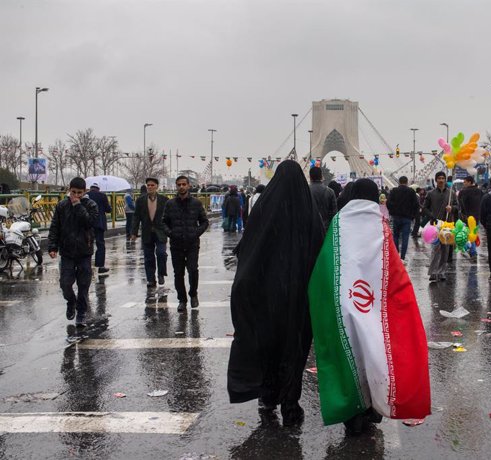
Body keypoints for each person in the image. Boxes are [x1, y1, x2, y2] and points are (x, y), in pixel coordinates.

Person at [308, 177, 430, 435]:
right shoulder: (380, 225)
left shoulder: (340, 222)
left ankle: (352, 412)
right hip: (374, 305)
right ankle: (373, 406)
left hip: (345, 303)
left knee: (349, 355)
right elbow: (394, 270)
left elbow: (326, 264)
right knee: (375, 354)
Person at [227, 160, 325, 427]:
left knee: (269, 346)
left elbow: (251, 247)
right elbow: (320, 251)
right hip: (299, 297)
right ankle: (290, 403)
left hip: (269, 296)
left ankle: (268, 395)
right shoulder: (309, 213)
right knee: (294, 349)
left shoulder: (265, 209)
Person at [48, 177, 99, 326]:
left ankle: (81, 313)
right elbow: (55, 227)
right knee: (65, 283)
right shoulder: (62, 206)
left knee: (84, 285)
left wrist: (78, 206)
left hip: (84, 251)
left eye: (79, 193)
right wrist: (52, 246)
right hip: (67, 252)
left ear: (85, 192)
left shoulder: (90, 205)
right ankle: (71, 302)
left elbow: (89, 222)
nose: (75, 195)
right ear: (69, 190)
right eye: (73, 192)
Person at [162, 175, 209, 311]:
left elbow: (205, 222)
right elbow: (164, 222)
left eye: (184, 184)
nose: (181, 187)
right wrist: (171, 233)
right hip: (176, 244)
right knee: (178, 273)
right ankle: (182, 299)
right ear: (176, 186)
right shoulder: (170, 204)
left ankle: (193, 294)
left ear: (188, 186)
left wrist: (196, 232)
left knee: (193, 270)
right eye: (179, 184)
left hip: (192, 243)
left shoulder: (196, 203)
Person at [130, 178, 169, 287]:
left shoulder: (164, 200)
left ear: (157, 186)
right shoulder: (140, 200)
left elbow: (169, 217)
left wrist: (170, 230)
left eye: (152, 185)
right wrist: (134, 232)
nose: (150, 187)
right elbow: (136, 217)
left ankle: (161, 273)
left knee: (161, 253)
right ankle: (151, 279)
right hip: (147, 232)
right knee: (148, 256)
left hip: (161, 232)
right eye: (148, 185)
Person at [423, 171, 458, 282]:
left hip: (447, 224)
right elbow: (425, 208)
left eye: (443, 178)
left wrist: (451, 208)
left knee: (445, 250)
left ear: (445, 180)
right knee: (435, 249)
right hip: (435, 224)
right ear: (436, 180)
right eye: (439, 178)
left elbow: (458, 206)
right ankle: (433, 272)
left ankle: (441, 272)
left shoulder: (451, 193)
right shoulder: (431, 193)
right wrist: (431, 216)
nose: (441, 180)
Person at [386, 176, 418, 262]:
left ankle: (396, 254)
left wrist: (392, 212)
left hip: (396, 217)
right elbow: (415, 204)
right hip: (407, 218)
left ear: (399, 182)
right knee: (405, 237)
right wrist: (412, 215)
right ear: (407, 182)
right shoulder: (411, 191)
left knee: (395, 236)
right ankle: (403, 257)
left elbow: (388, 203)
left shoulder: (394, 191)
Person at [86, 183, 112, 274]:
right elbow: (108, 209)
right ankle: (101, 266)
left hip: (88, 224)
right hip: (99, 224)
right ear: (98, 188)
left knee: (88, 244)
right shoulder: (102, 196)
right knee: (100, 244)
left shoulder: (86, 195)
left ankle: (87, 265)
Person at [458, 176, 483, 260]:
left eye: (465, 182)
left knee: (466, 234)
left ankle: (472, 251)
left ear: (469, 182)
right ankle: (471, 250)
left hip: (466, 216)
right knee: (473, 233)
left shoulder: (463, 192)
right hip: (477, 216)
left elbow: (461, 204)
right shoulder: (480, 191)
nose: (464, 184)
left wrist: (463, 214)